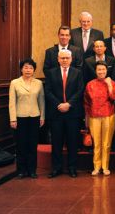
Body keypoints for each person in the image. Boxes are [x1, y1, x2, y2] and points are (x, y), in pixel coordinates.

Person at [45, 49, 84, 178]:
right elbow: (48, 91)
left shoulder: (77, 73)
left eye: (67, 58)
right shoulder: (51, 73)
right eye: (62, 58)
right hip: (56, 113)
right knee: (56, 142)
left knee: (72, 142)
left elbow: (80, 90)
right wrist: (59, 104)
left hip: (72, 113)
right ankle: (57, 168)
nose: (65, 60)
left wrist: (69, 104)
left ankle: (72, 168)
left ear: (71, 59)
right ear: (58, 59)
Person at [9, 58, 45, 179]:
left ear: (34, 70)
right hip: (20, 117)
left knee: (32, 144)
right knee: (21, 145)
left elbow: (41, 101)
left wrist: (42, 116)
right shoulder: (15, 83)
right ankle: (21, 170)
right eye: (25, 67)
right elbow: (12, 102)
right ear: (21, 69)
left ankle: (32, 170)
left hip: (34, 117)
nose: (28, 70)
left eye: (30, 68)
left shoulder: (38, 83)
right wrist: (12, 119)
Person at [84, 61, 115, 176]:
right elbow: (86, 103)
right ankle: (96, 166)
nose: (101, 72)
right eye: (99, 69)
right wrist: (87, 118)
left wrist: (109, 85)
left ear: (106, 70)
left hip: (108, 115)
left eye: (103, 69)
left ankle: (105, 167)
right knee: (97, 143)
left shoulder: (112, 82)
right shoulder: (90, 84)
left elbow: (114, 97)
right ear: (96, 71)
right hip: (94, 116)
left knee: (106, 143)